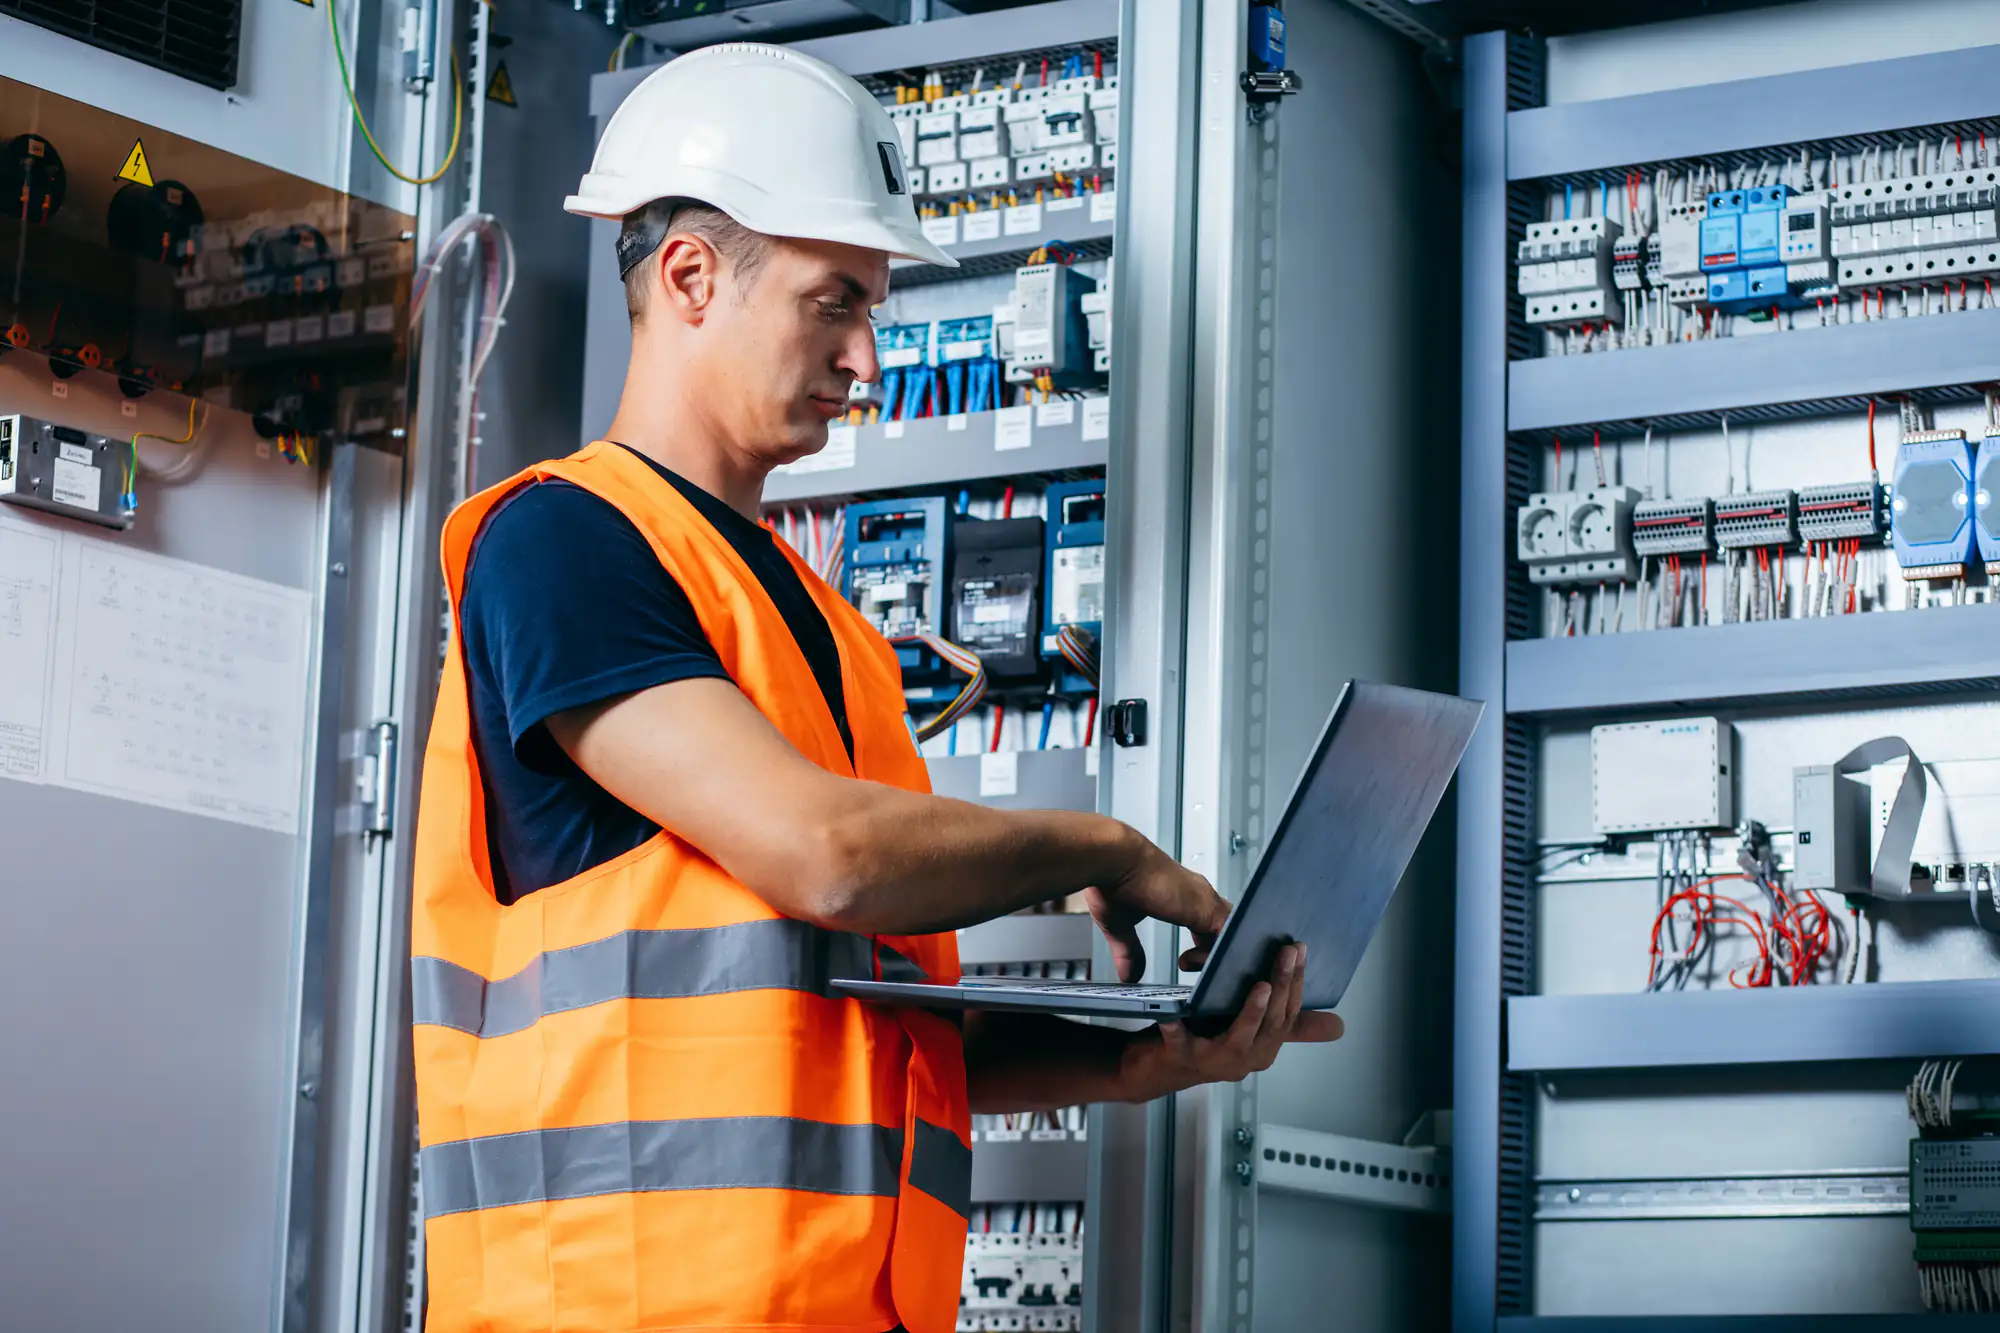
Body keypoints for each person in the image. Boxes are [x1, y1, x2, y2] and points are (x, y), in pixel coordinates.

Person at [408, 41, 1340, 1333]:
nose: (865, 359)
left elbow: (860, 1032)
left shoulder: (830, 633)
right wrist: (1105, 847)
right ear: (688, 277)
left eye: (873, 312)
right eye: (833, 301)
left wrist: (1136, 1059)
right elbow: (828, 856)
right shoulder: (565, 540)